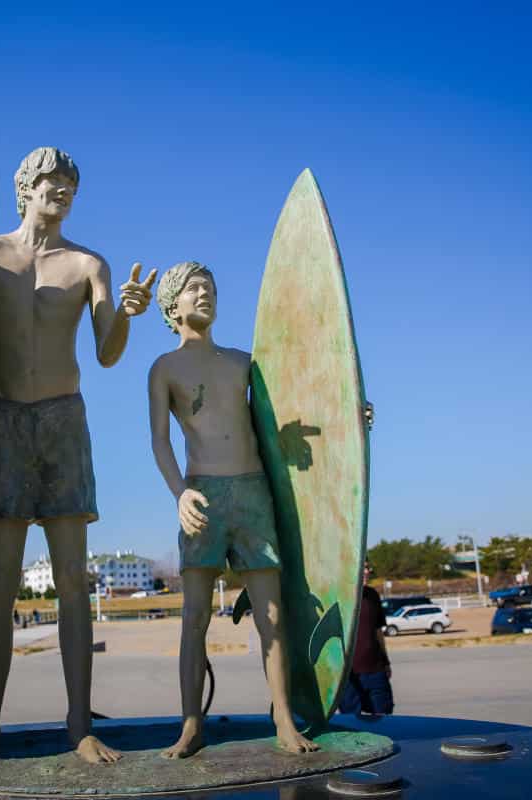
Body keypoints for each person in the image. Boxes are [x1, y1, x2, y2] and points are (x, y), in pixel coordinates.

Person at [0, 146, 155, 774]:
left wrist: (128, 315)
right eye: (53, 184)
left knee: (73, 585)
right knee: (0, 586)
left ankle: (79, 725)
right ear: (25, 187)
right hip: (1, 422)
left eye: (71, 189)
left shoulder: (88, 265)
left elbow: (107, 353)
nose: (63, 195)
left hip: (62, 420)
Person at [147, 260, 319, 758]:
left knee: (271, 614)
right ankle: (190, 723)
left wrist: (354, 414)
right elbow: (159, 441)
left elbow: (285, 418)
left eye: (211, 288)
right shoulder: (164, 368)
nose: (205, 295)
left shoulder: (245, 362)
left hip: (253, 492)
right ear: (172, 303)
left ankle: (284, 719)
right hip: (202, 493)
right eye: (194, 288)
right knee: (194, 615)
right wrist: (179, 492)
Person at [337, 562, 394, 715]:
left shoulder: (372, 595)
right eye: (363, 567)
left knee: (384, 719)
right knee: (352, 727)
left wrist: (386, 663)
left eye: (368, 568)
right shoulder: (337, 596)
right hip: (347, 677)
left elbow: (378, 633)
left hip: (376, 672)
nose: (367, 571)